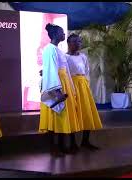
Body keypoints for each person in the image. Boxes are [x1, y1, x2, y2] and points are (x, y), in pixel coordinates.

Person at [39, 23, 81, 156]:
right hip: (56, 86)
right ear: (55, 34)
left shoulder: (58, 50)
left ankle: (63, 146)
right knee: (54, 118)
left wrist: (71, 88)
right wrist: (57, 92)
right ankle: (54, 147)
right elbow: (51, 70)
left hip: (63, 83)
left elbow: (65, 70)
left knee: (62, 117)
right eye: (62, 32)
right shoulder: (50, 49)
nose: (64, 34)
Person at [66, 33, 102, 150]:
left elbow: (86, 71)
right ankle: (72, 143)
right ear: (69, 43)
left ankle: (85, 141)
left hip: (83, 86)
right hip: (71, 86)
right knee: (73, 114)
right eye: (75, 41)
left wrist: (86, 85)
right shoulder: (65, 57)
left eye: (79, 41)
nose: (78, 44)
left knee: (87, 112)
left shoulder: (83, 57)